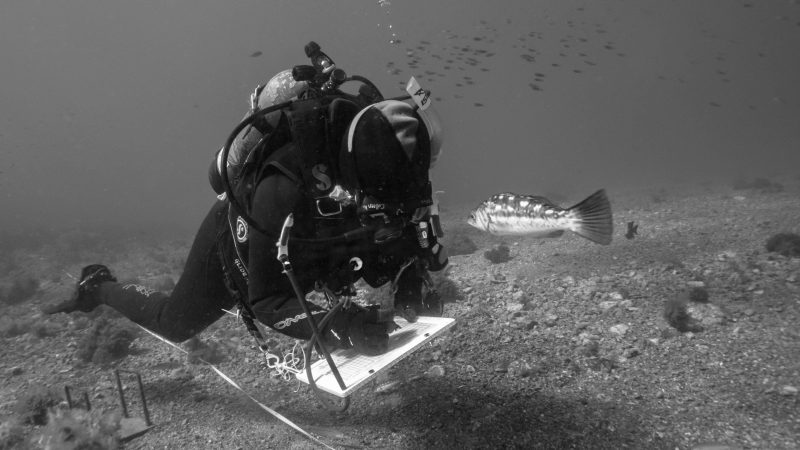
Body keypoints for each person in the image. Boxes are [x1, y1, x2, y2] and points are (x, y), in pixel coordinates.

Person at [45, 46, 448, 357]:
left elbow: (401, 233)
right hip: (239, 251)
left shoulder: (392, 156)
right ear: (355, 177)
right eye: (378, 198)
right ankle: (99, 286)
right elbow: (267, 300)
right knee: (173, 324)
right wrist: (342, 326)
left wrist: (410, 278)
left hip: (315, 247)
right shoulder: (283, 185)